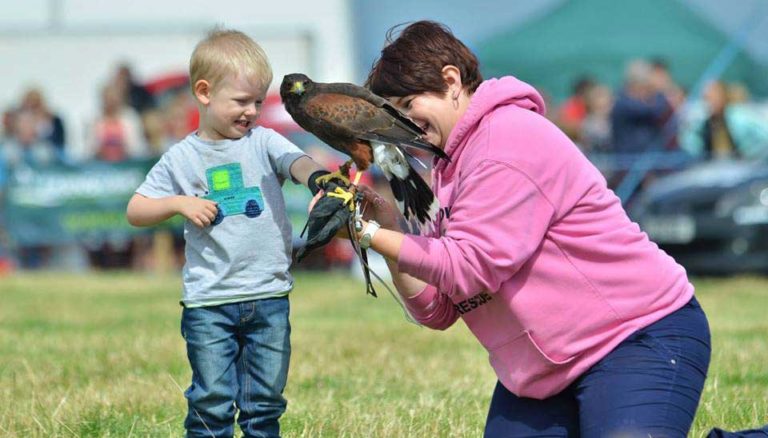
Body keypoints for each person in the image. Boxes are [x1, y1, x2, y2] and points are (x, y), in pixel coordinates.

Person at [354, 20, 712, 437]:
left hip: (634, 337)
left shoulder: (505, 140)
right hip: (544, 373)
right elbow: (438, 308)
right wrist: (386, 231)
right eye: (393, 114)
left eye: (408, 104)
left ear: (450, 80)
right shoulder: (446, 168)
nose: (404, 125)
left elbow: (469, 267)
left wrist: (367, 235)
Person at [126, 28, 328, 438]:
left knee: (265, 404)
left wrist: (319, 178)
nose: (251, 111)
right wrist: (179, 203)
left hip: (269, 298)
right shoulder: (182, 157)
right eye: (241, 101)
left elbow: (297, 161)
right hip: (209, 303)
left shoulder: (264, 141)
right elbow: (136, 210)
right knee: (212, 402)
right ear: (204, 93)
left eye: (258, 100)